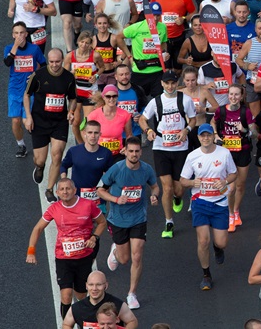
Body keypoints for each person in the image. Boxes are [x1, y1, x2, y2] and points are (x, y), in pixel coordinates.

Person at [26, 177, 107, 320]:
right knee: (66, 294)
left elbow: (102, 222)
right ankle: (67, 325)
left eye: (68, 188)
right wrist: (31, 251)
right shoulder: (54, 208)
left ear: (75, 190)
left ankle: (82, 322)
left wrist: (94, 237)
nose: (65, 192)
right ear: (57, 192)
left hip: (84, 257)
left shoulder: (88, 205)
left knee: (81, 295)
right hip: (63, 258)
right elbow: (38, 228)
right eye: (62, 189)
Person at [97, 137, 159, 310]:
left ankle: (132, 294)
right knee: (124, 259)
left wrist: (154, 195)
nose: (134, 154)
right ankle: (115, 252)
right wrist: (116, 199)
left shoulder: (146, 169)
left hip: (139, 218)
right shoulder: (116, 169)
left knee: (137, 255)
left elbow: (154, 186)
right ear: (125, 151)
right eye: (130, 151)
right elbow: (100, 190)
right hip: (118, 219)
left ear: (141, 151)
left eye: (137, 151)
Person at [138, 70, 197, 238]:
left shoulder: (185, 99)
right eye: (167, 83)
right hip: (161, 147)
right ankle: (168, 222)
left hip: (180, 148)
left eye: (173, 83)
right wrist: (148, 130)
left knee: (179, 189)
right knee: (167, 187)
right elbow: (143, 119)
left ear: (176, 84)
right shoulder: (156, 101)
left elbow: (192, 119)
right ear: (162, 84)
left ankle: (178, 198)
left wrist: (187, 130)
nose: (170, 86)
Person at [179, 123, 237, 290]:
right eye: (202, 135)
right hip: (200, 202)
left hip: (220, 203)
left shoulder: (224, 153)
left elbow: (234, 174)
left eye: (208, 135)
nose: (205, 138)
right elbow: (183, 180)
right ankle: (206, 274)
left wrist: (224, 181)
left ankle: (217, 248)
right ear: (198, 138)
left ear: (213, 136)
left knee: (222, 242)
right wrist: (192, 182)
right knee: (203, 240)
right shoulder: (192, 156)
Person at [25, 49, 78, 203]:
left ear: (62, 60)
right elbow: (27, 95)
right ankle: (40, 167)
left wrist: (71, 110)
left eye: (58, 62)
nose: (55, 65)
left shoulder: (68, 78)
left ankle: (49, 189)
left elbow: (73, 98)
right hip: (40, 121)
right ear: (48, 61)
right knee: (39, 160)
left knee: (57, 154)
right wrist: (28, 116)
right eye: (52, 62)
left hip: (59, 122)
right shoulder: (39, 75)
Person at [210, 84, 255, 232]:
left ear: (241, 97)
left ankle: (236, 211)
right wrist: (216, 134)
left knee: (241, 185)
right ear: (228, 95)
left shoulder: (245, 112)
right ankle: (229, 215)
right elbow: (213, 122)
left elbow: (253, 132)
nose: (233, 97)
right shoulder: (221, 110)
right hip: (226, 153)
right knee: (231, 187)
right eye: (231, 94)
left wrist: (245, 129)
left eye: (237, 95)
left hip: (243, 151)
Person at [5, 21, 46, 157]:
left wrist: (36, 74)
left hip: (30, 90)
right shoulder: (9, 49)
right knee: (16, 120)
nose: (19, 35)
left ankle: (40, 143)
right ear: (12, 35)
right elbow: (7, 63)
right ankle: (21, 145)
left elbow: (44, 64)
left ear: (26, 34)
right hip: (14, 90)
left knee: (27, 120)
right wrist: (15, 47)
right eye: (16, 33)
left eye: (22, 32)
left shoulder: (34, 49)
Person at [62, 270, 138, 329]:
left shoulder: (117, 304)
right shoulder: (77, 308)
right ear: (86, 286)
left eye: (98, 285)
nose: (94, 289)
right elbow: (66, 325)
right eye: (91, 285)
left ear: (106, 285)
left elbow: (132, 321)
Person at [151, 0, 197, 69]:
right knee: (165, 67)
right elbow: (150, 12)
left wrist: (183, 18)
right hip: (162, 37)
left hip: (178, 37)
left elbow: (194, 12)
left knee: (177, 68)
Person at [122, 0, 167, 96]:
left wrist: (164, 53)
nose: (155, 18)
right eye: (152, 15)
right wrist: (129, 56)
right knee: (138, 101)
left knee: (158, 101)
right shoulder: (136, 27)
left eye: (158, 15)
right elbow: (118, 38)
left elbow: (163, 43)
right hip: (140, 70)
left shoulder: (163, 27)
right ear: (147, 15)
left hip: (157, 71)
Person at [87, 85, 134, 157]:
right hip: (99, 154)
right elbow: (86, 133)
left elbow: (129, 135)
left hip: (118, 154)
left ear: (117, 97)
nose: (111, 99)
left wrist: (127, 148)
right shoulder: (93, 115)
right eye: (108, 96)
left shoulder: (125, 115)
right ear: (103, 97)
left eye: (114, 96)